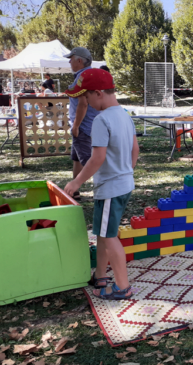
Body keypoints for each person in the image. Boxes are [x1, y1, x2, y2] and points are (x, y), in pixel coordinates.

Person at [63, 69, 139, 300]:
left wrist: (76, 182)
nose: (85, 103)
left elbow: (97, 158)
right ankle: (100, 275)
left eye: (86, 97)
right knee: (104, 232)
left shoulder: (101, 119)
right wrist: (125, 172)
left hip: (109, 188)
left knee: (108, 236)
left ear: (98, 93)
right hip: (125, 184)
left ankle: (122, 287)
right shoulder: (125, 114)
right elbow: (135, 150)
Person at [65, 47, 99, 201]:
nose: (69, 62)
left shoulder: (83, 77)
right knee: (77, 158)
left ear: (79, 60)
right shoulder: (90, 74)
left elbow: (83, 104)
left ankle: (103, 190)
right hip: (90, 124)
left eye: (71, 59)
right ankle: (75, 191)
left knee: (88, 162)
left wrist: (76, 126)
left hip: (84, 127)